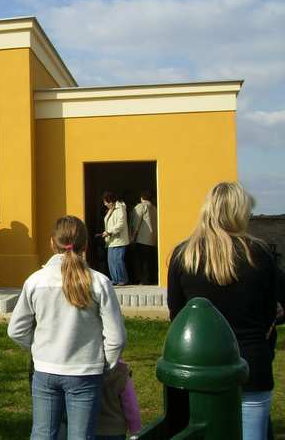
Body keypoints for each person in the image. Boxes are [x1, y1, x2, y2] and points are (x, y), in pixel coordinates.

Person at [167, 182, 277, 440]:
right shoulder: (258, 254)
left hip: (199, 366)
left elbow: (178, 316)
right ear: (240, 211)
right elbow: (269, 313)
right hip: (251, 364)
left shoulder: (184, 255)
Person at [8, 215, 126, 440]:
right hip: (85, 371)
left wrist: (39, 348)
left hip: (45, 369)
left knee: (42, 434)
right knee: (81, 436)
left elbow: (16, 330)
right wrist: (105, 364)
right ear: (86, 245)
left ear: (52, 243)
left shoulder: (35, 281)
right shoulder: (100, 282)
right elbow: (116, 338)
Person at [94, 359, 141, 439]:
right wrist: (135, 430)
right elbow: (131, 405)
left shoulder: (80, 370)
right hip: (116, 430)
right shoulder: (121, 371)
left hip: (88, 427)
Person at [100, 192, 129, 286]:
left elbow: (121, 224)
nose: (105, 204)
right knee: (111, 261)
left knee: (118, 260)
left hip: (119, 240)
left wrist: (109, 232)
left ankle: (122, 279)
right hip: (111, 240)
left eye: (105, 202)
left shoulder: (120, 209)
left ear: (111, 201)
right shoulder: (110, 210)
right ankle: (115, 279)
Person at [130, 190, 158, 285]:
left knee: (141, 261)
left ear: (141, 197)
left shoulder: (141, 206)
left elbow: (136, 223)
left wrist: (133, 237)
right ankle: (150, 279)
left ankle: (143, 280)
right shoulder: (155, 208)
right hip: (153, 239)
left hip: (141, 239)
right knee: (150, 261)